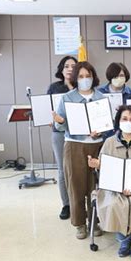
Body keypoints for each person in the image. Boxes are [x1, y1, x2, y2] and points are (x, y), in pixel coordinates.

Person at [87, 105, 131, 257]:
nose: (128, 122)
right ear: (118, 121)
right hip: (113, 187)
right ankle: (123, 240)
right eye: (124, 119)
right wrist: (97, 165)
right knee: (115, 203)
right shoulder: (109, 142)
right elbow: (104, 168)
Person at [53, 61, 106, 239]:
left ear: (93, 77)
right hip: (74, 145)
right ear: (76, 78)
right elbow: (59, 126)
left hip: (97, 144)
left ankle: (94, 221)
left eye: (88, 76)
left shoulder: (101, 98)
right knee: (76, 185)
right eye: (81, 76)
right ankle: (79, 223)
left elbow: (109, 125)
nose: (85, 79)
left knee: (95, 185)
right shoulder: (67, 98)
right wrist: (59, 121)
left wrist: (102, 129)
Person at [47, 55, 77, 220]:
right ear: (62, 69)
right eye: (67, 66)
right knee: (62, 169)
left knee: (79, 170)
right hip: (59, 133)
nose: (70, 69)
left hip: (78, 134)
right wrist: (49, 120)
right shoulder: (54, 88)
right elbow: (48, 110)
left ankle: (80, 203)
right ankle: (66, 204)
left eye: (73, 66)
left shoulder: (82, 88)